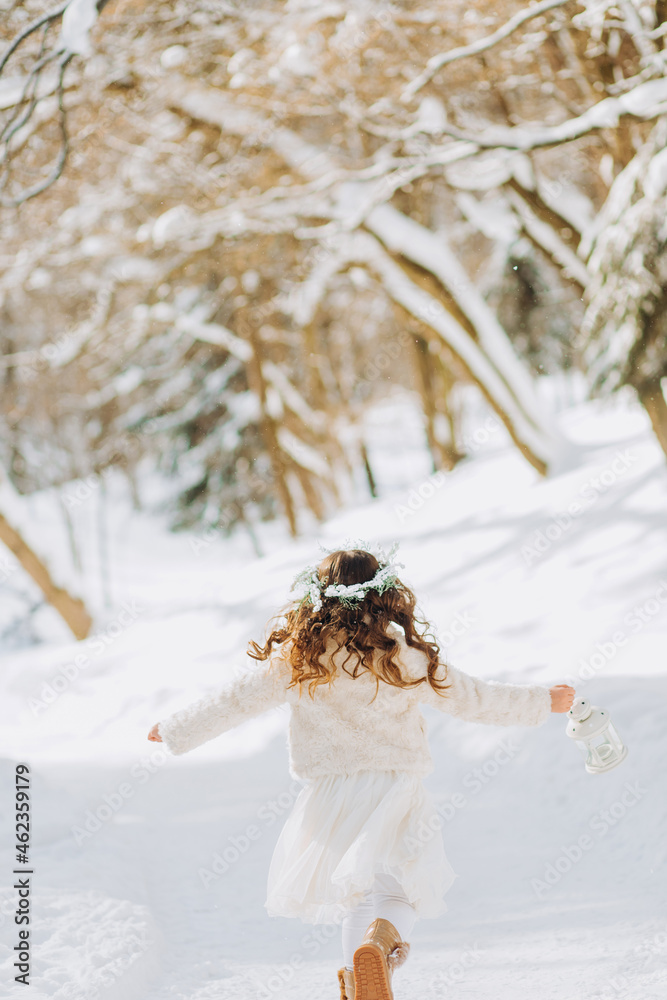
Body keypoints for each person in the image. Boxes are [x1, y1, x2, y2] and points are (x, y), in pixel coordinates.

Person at [148, 544, 575, 1000]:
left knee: (356, 896)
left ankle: (358, 985)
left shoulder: (299, 658)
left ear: (318, 598)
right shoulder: (401, 653)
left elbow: (234, 700)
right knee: (401, 891)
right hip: (395, 787)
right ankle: (380, 944)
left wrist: (174, 730)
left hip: (329, 797)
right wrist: (542, 701)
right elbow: (473, 697)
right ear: (383, 595)